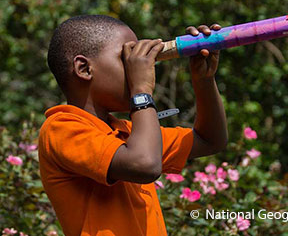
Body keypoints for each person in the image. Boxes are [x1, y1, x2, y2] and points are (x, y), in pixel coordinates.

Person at [38, 15, 228, 236]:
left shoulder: (127, 133)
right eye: (126, 58)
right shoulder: (61, 128)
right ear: (84, 68)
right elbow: (144, 164)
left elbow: (209, 140)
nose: (137, 67)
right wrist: (141, 92)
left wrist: (203, 81)